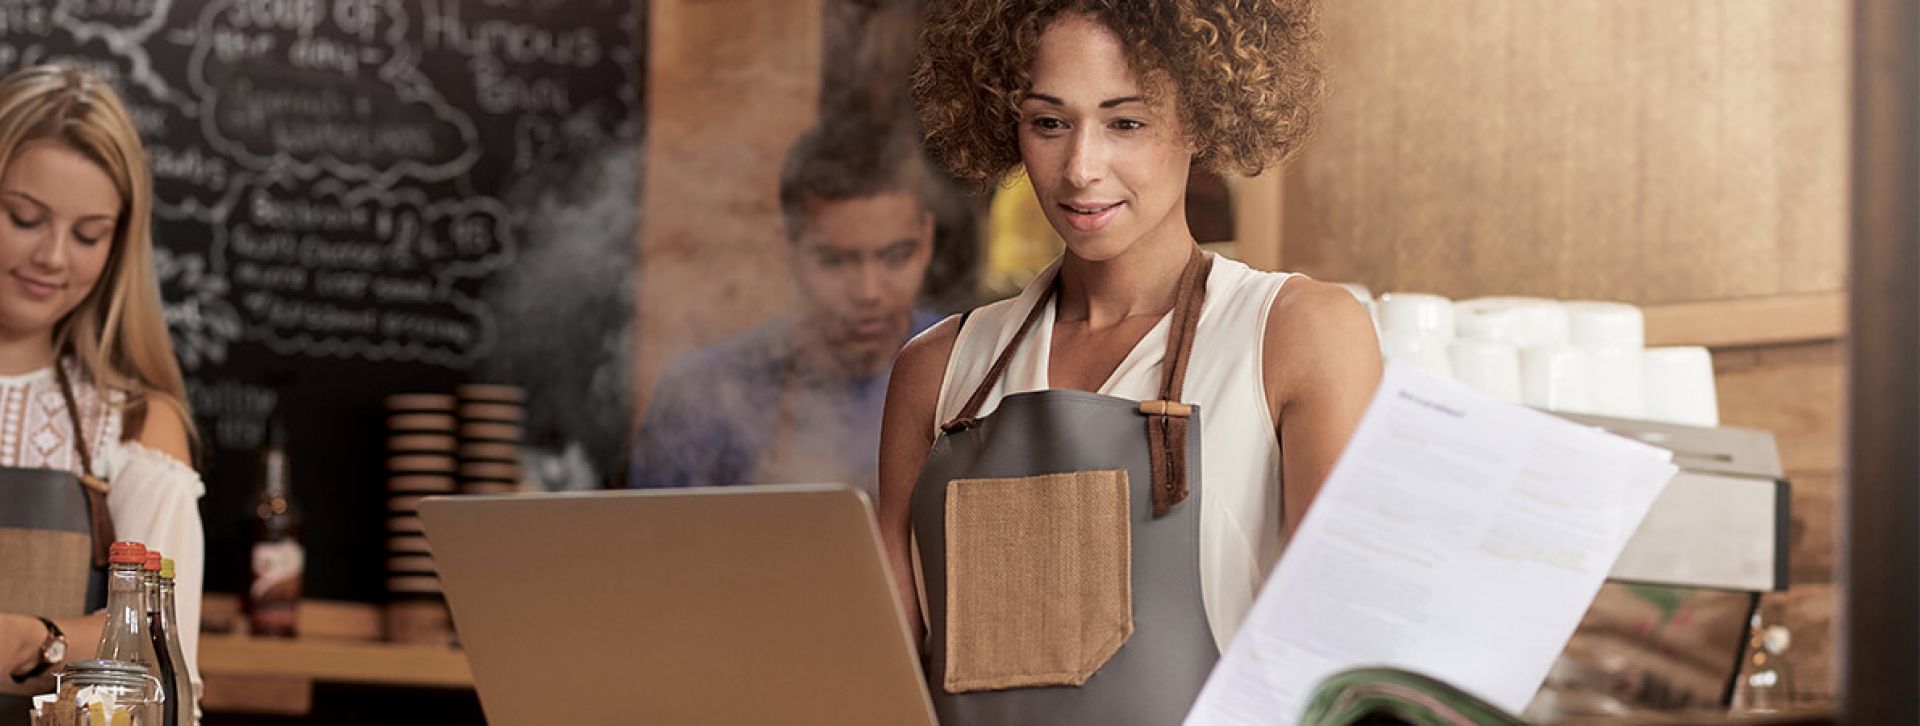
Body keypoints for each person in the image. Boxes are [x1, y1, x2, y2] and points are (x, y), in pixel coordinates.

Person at [877, 2, 1380, 723]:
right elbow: (887, 682)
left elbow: (1339, 672)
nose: (1081, 169)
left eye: (1127, 123)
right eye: (1049, 123)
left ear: (1203, 117)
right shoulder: (936, 372)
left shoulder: (1296, 337)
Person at [0, 65, 205, 721]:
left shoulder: (137, 423)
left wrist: (39, 641)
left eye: (88, 234)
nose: (54, 257)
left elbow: (163, 668)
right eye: (24, 218)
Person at [629, 118, 942, 498]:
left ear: (926, 241)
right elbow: (653, 551)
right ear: (788, 246)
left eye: (895, 257)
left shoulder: (972, 376)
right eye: (834, 261)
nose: (868, 291)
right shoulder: (703, 397)